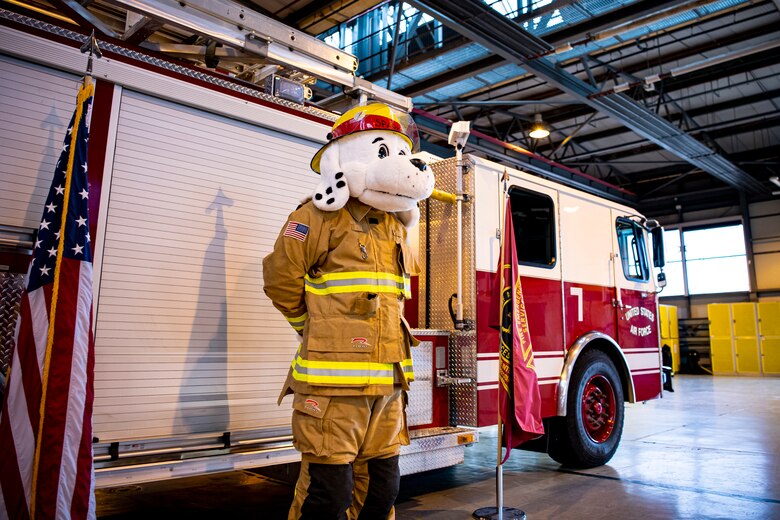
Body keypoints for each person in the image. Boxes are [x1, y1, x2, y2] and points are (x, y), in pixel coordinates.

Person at [263, 103, 435, 520]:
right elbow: (280, 281)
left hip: (388, 386)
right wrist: (314, 328)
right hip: (332, 390)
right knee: (328, 495)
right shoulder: (314, 218)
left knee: (382, 490)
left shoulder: (394, 225)